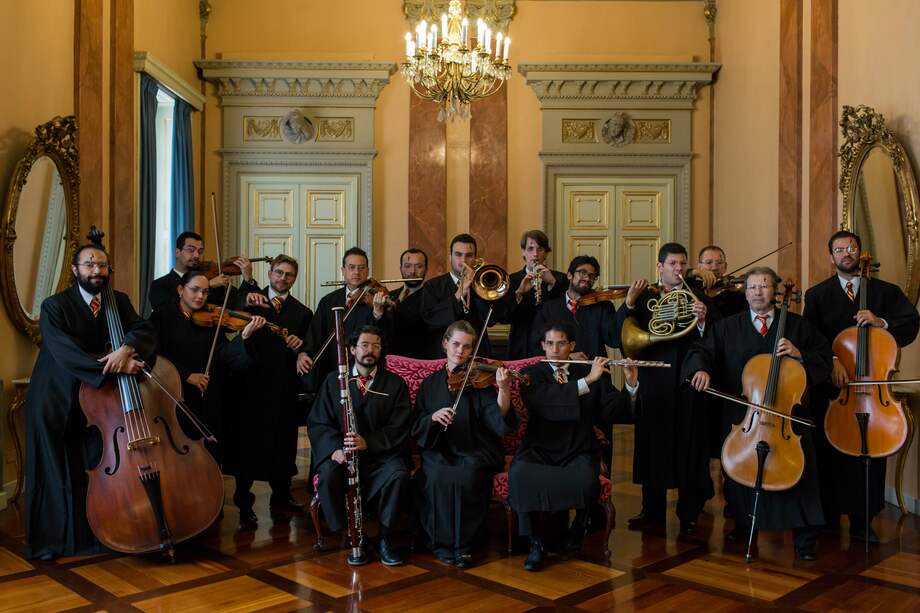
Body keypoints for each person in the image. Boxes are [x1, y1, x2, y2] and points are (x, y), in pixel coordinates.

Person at [686, 266, 833, 560]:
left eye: (764, 286)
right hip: (746, 419)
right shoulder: (727, 326)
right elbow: (702, 350)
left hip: (787, 420)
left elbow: (824, 357)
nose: (757, 292)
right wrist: (700, 369)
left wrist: (799, 354)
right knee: (743, 474)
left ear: (775, 292)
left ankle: (804, 538)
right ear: (745, 292)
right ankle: (745, 527)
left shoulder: (797, 325)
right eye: (752, 287)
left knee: (802, 475)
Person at [24, 239, 156, 560]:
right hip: (55, 397)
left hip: (96, 403)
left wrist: (127, 348)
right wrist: (113, 364)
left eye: (101, 265)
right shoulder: (54, 306)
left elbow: (144, 329)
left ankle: (97, 535)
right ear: (75, 270)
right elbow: (67, 353)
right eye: (89, 265)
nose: (96, 271)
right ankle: (54, 542)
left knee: (91, 467)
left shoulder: (118, 301)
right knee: (55, 470)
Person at [803, 230, 919, 541]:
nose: (846, 253)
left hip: (872, 392)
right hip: (833, 391)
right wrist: (832, 361)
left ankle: (862, 519)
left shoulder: (884, 292)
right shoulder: (817, 295)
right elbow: (810, 340)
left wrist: (882, 323)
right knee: (830, 451)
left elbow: (910, 323)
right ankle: (827, 515)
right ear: (832, 258)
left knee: (870, 452)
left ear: (859, 253)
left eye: (851, 247)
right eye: (839, 249)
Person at [510, 321, 638, 571]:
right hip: (539, 447)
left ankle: (576, 531)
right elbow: (545, 404)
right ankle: (536, 543)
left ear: (572, 346)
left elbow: (612, 411)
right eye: (550, 344)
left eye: (561, 343)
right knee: (519, 476)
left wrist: (630, 385)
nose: (555, 350)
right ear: (542, 346)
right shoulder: (533, 374)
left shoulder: (588, 371)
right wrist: (588, 381)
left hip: (578, 447)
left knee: (585, 480)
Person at [615, 242, 718, 533]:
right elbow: (618, 336)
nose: (679, 269)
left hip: (687, 381)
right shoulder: (644, 297)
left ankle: (689, 513)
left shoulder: (698, 297)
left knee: (690, 447)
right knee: (652, 445)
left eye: (683, 264)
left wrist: (702, 321)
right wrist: (630, 304)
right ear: (659, 267)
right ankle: (652, 512)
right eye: (673, 264)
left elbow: (713, 340)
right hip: (654, 381)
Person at [412, 321, 517, 568]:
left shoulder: (479, 380)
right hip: (439, 446)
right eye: (456, 344)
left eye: (467, 347)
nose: (460, 351)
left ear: (472, 351)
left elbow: (497, 416)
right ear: (445, 344)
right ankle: (440, 544)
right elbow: (418, 421)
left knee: (466, 474)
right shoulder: (429, 384)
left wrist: (504, 389)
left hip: (475, 447)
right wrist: (433, 418)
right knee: (436, 475)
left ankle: (465, 546)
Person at [308, 326, 412, 566]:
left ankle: (386, 538)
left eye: (376, 345)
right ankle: (352, 534)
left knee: (397, 475)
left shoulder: (395, 384)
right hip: (342, 455)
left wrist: (369, 443)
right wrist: (334, 449)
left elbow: (400, 426)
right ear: (352, 349)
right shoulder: (334, 382)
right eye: (365, 345)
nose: (370, 350)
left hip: (380, 455)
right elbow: (319, 422)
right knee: (327, 476)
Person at [225, 255, 314, 529]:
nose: (282, 278)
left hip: (283, 387)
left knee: (284, 444)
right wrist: (247, 285)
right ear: (270, 273)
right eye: (278, 272)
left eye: (289, 274)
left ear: (294, 279)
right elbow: (233, 316)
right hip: (251, 385)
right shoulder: (252, 299)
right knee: (248, 445)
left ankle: (281, 495)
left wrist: (301, 349)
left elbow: (307, 346)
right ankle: (243, 502)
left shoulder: (302, 312)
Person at [148, 270, 265, 464]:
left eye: (205, 291)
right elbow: (153, 355)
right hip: (174, 393)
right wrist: (186, 375)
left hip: (207, 394)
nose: (200, 296)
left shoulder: (211, 318)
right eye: (195, 290)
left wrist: (243, 338)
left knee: (209, 450)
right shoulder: (161, 317)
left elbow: (223, 354)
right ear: (180, 289)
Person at [300, 247, 390, 385]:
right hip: (331, 368)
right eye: (351, 267)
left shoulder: (375, 300)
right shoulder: (328, 301)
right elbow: (315, 333)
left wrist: (378, 313)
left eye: (361, 268)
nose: (356, 272)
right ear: (343, 271)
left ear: (367, 271)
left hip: (363, 369)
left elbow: (384, 336)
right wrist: (304, 353)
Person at [419, 234, 508, 359]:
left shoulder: (483, 283)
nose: (463, 260)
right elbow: (430, 319)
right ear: (450, 257)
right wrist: (459, 293)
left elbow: (492, 319)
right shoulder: (432, 286)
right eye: (458, 254)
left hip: (478, 353)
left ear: (475, 258)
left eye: (469, 255)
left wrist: (477, 288)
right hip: (443, 356)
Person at [530, 255, 619, 360]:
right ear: (569, 275)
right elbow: (536, 346)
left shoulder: (603, 306)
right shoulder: (548, 308)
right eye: (582, 273)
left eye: (592, 276)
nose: (587, 278)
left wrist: (628, 305)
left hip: (595, 371)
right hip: (559, 373)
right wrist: (567, 357)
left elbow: (614, 340)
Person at [501, 230, 568, 359]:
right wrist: (519, 293)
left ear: (546, 253)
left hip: (552, 347)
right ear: (523, 252)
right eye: (530, 249)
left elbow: (566, 313)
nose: (535, 254)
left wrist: (553, 283)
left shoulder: (560, 279)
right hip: (521, 346)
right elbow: (505, 317)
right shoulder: (512, 280)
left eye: (540, 249)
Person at [146, 231, 239, 312]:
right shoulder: (159, 285)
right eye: (191, 250)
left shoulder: (211, 278)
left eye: (200, 251)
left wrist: (248, 281)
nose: (196, 255)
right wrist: (208, 286)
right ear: (177, 252)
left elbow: (237, 302)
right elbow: (167, 312)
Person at [387, 248, 429, 358]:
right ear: (400, 268)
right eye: (407, 266)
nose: (412, 272)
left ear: (426, 269)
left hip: (418, 360)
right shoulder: (391, 295)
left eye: (419, 266)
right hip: (390, 360)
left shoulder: (431, 297)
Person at [697, 245, 748, 317]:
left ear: (725, 266)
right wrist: (693, 272)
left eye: (719, 262)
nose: (714, 268)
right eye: (708, 262)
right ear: (699, 267)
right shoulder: (692, 288)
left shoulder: (737, 295)